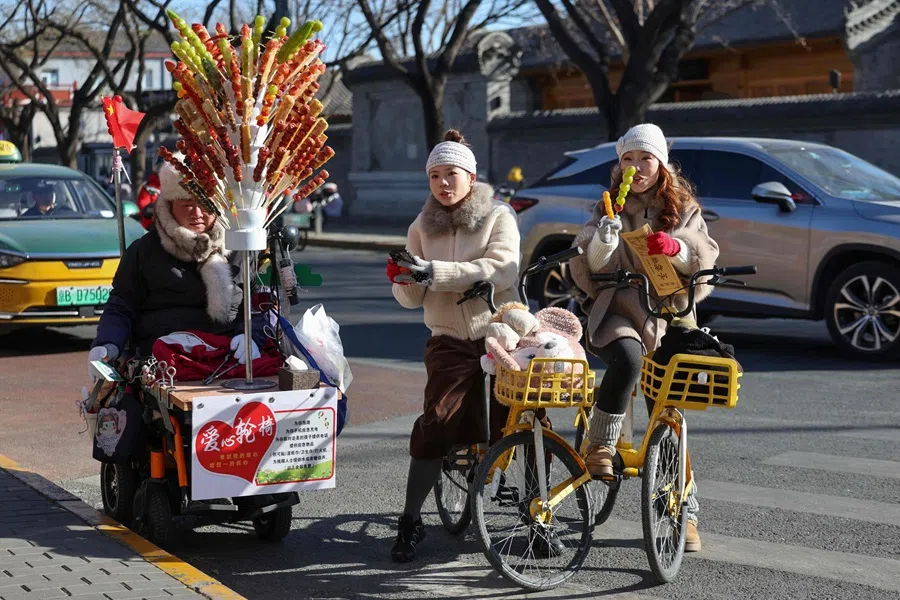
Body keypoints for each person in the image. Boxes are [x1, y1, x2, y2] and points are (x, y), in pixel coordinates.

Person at [569, 123, 719, 553]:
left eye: (646, 158)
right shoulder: (607, 206)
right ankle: (601, 442)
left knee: (667, 413)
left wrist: (676, 248)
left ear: (661, 163)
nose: (637, 167)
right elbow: (588, 264)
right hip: (619, 306)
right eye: (628, 159)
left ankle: (682, 508)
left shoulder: (683, 205)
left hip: (670, 312)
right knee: (628, 359)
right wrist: (604, 237)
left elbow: (703, 251)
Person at [385, 129, 528, 563]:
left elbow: (502, 268)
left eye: (452, 174)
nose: (443, 184)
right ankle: (410, 521)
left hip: (500, 334)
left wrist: (435, 272)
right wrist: (403, 279)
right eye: (434, 176)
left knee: (523, 422)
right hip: (447, 339)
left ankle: (538, 519)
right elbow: (412, 299)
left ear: (471, 176)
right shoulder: (420, 226)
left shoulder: (498, 216)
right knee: (437, 423)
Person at [88, 154, 264, 374]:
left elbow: (261, 303)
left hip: (228, 359)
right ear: (170, 206)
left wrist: (251, 335)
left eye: (205, 205)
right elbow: (122, 304)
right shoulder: (145, 250)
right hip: (161, 363)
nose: (197, 214)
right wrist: (107, 343)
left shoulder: (241, 247)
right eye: (187, 205)